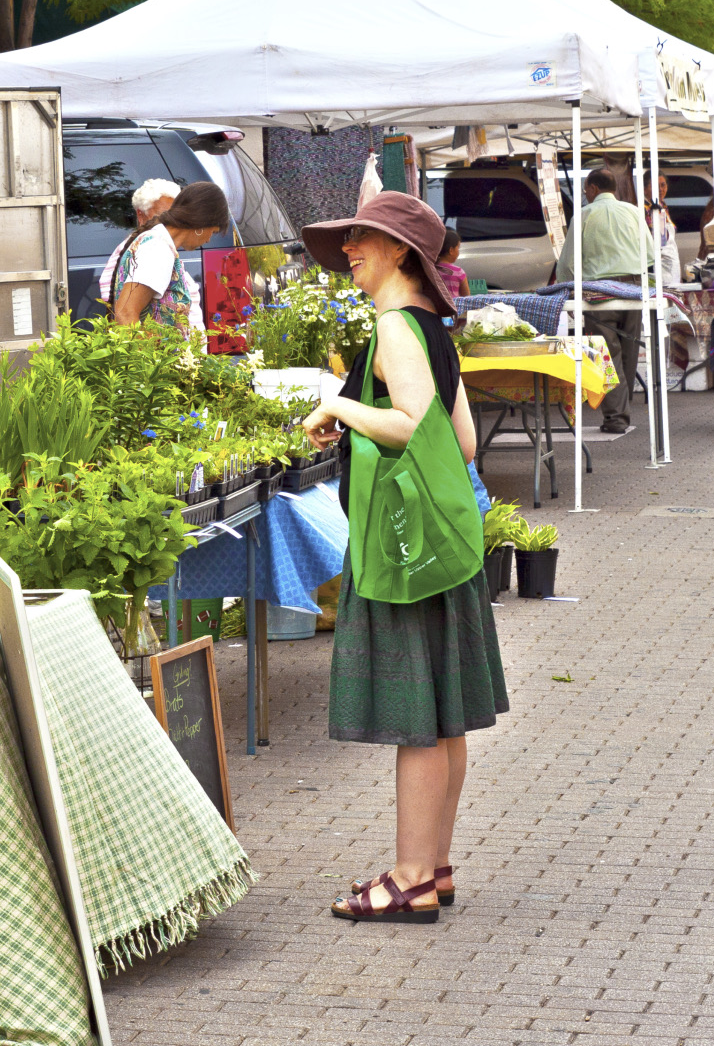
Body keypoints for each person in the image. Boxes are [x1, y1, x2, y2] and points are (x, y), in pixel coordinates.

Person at [297, 191, 507, 924]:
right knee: (443, 717)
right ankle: (435, 866)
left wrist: (338, 406)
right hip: (444, 541)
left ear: (399, 251)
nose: (349, 248)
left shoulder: (393, 327)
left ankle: (411, 876)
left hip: (403, 550)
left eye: (363, 238)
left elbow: (412, 423)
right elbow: (465, 443)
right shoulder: (431, 328)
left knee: (418, 717)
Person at [555, 168, 657, 433]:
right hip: (633, 288)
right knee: (629, 349)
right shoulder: (635, 212)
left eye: (585, 190)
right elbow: (649, 255)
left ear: (592, 189)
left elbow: (567, 264)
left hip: (599, 292)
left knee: (607, 354)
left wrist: (568, 288)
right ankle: (621, 411)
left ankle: (617, 416)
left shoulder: (585, 215)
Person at [110, 181, 230, 331]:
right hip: (153, 354)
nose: (208, 239)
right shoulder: (157, 248)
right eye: (212, 231)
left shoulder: (160, 243)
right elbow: (125, 314)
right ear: (201, 224)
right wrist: (145, 353)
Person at [99, 178, 179, 303]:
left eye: (175, 215)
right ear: (140, 216)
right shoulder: (149, 247)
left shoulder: (161, 245)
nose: (171, 222)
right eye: (163, 215)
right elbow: (123, 309)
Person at [641, 169, 682, 286]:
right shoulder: (645, 209)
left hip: (671, 262)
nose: (660, 189)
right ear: (644, 189)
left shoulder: (663, 206)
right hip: (656, 265)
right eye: (655, 186)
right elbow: (660, 240)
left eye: (663, 185)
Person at [434, 228, 469, 298]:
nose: (459, 251)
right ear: (451, 250)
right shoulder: (459, 272)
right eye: (458, 248)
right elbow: (466, 296)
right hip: (453, 307)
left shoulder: (431, 269)